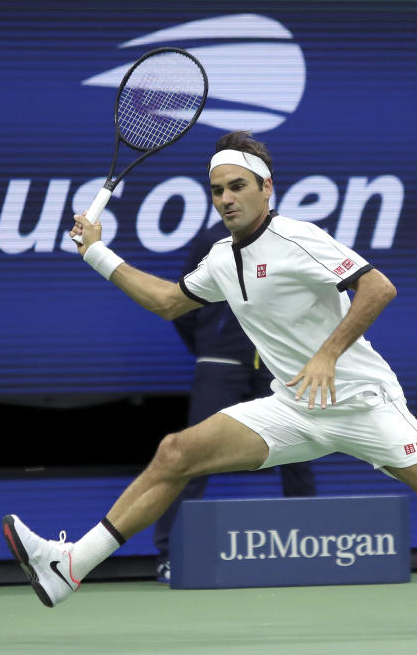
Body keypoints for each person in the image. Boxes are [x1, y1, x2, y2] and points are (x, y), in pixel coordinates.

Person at [2, 131, 417, 632]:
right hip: (293, 408)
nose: (227, 198)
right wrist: (96, 252)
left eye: (239, 186)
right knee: (176, 451)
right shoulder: (218, 260)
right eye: (218, 189)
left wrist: (327, 353)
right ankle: (71, 567)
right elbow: (171, 301)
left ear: (266, 189)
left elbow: (378, 286)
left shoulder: (297, 237)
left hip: (361, 403)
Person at [153, 224, 317, 584]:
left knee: (301, 451)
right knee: (193, 456)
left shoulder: (288, 238)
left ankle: (311, 548)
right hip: (221, 358)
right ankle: (170, 554)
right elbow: (182, 302)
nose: (231, 197)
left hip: (279, 360)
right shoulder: (211, 239)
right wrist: (210, 345)